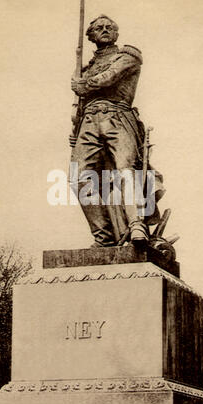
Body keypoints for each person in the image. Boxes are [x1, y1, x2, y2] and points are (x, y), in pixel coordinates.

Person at [70, 15, 164, 247]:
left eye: (109, 27)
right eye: (99, 28)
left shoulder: (129, 56)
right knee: (78, 177)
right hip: (89, 122)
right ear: (90, 36)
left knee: (125, 170)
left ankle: (136, 225)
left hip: (118, 117)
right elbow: (79, 105)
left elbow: (110, 77)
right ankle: (104, 237)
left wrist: (83, 84)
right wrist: (76, 124)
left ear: (116, 33)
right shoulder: (86, 68)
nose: (104, 30)